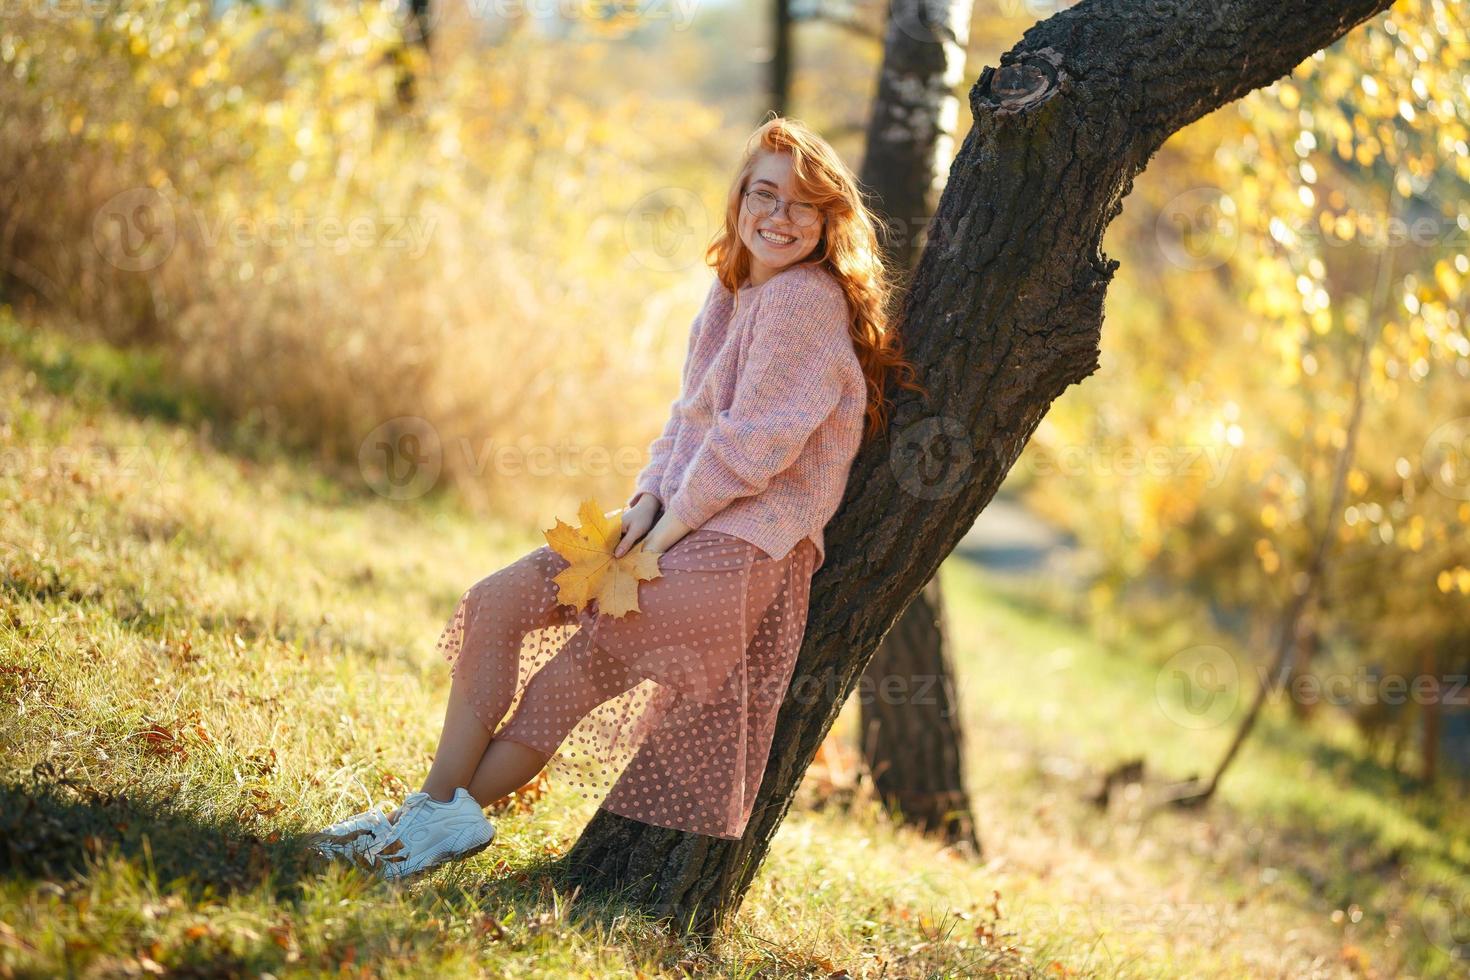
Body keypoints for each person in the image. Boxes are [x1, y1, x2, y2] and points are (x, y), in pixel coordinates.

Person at [306, 115, 927, 881]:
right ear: (736, 202)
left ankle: (415, 828)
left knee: (568, 680)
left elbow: (752, 447)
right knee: (499, 603)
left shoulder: (803, 299)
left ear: (830, 220)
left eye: (804, 204)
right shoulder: (735, 292)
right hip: (674, 523)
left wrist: (664, 536)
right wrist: (643, 505)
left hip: (738, 547)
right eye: (765, 194)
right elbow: (688, 422)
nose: (781, 217)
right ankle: (428, 819)